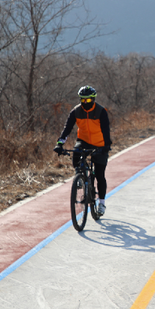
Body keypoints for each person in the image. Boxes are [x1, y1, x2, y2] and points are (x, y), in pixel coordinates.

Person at [54, 86, 112, 216]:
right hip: (83, 140)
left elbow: (106, 131)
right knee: (76, 154)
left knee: (99, 174)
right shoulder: (76, 111)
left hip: (100, 143)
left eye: (88, 100)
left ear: (93, 99)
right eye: (82, 100)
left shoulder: (101, 111)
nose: (85, 103)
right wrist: (59, 143)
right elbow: (67, 128)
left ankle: (101, 203)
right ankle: (80, 176)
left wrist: (106, 146)